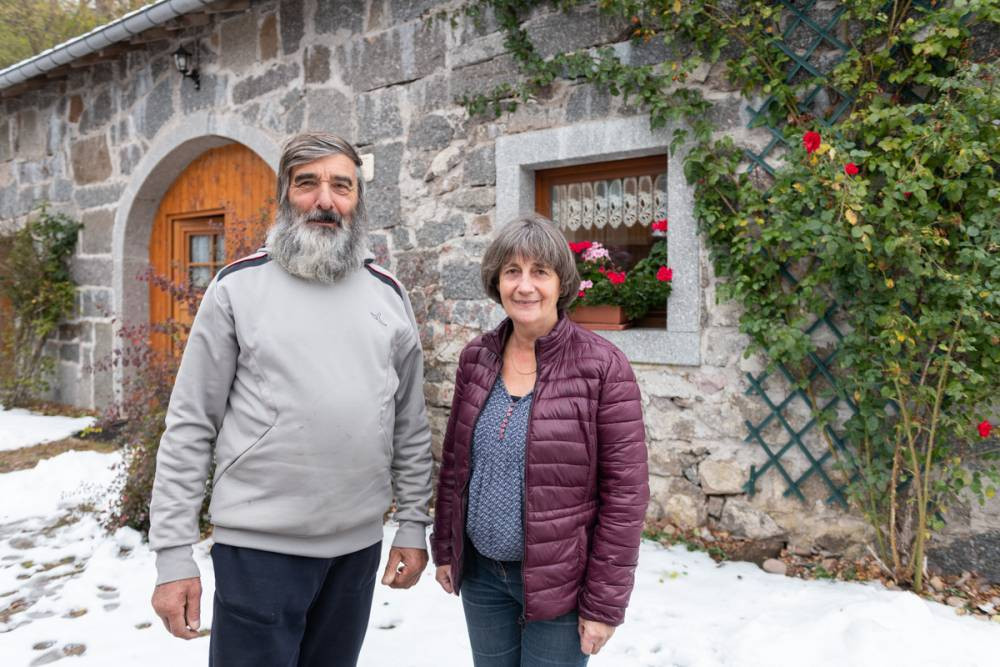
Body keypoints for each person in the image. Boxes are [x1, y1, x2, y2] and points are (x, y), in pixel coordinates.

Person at [148, 132, 434, 667]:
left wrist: (414, 523)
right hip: (259, 552)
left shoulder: (388, 295)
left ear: (357, 200)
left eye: (341, 186)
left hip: (356, 550)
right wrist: (172, 556)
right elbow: (191, 425)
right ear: (285, 195)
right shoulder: (236, 289)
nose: (325, 200)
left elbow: (409, 424)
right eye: (308, 184)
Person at [431, 214, 650, 666]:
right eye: (512, 271)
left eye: (539, 272)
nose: (525, 286)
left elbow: (625, 495)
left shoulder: (603, 367)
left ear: (561, 282)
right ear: (497, 281)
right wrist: (447, 550)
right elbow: (455, 464)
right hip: (483, 579)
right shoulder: (477, 358)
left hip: (561, 585)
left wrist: (604, 604)